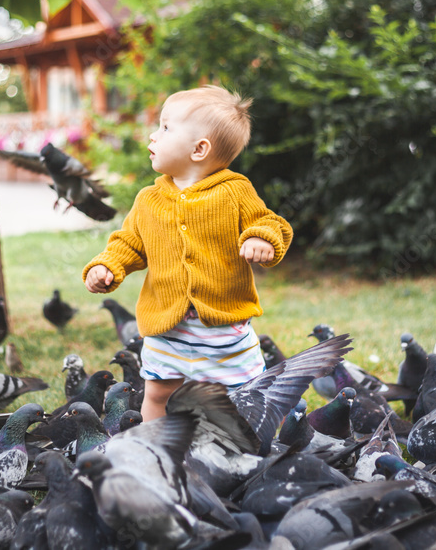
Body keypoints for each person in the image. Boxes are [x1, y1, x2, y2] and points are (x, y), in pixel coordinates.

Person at [83, 85, 293, 421]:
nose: (153, 135)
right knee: (158, 393)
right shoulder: (148, 200)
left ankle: (242, 449)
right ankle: (157, 445)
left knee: (240, 394)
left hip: (223, 325)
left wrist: (262, 239)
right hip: (168, 325)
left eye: (165, 128)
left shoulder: (235, 190)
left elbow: (270, 222)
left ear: (199, 149)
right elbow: (128, 243)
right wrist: (107, 266)